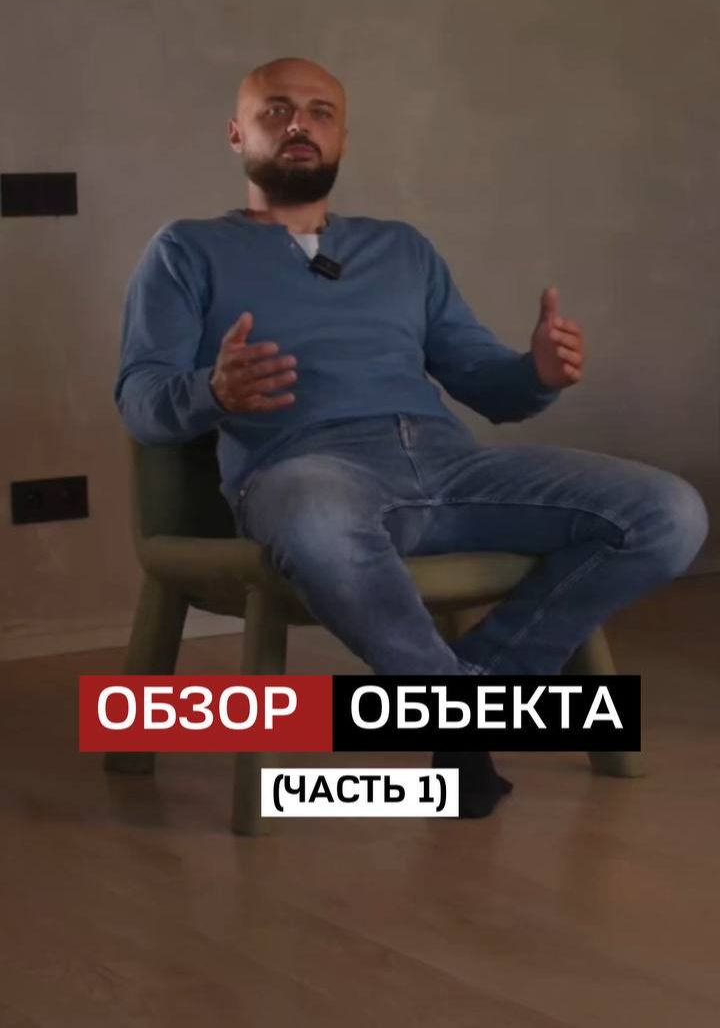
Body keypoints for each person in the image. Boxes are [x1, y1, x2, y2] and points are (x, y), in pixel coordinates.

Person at [115, 57, 708, 818]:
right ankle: (461, 715)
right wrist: (213, 390)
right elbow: (141, 400)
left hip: (446, 463)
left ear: (343, 137)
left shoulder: (402, 249)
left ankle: (458, 706)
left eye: (321, 112)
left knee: (669, 511)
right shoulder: (185, 249)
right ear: (237, 133)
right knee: (317, 514)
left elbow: (486, 383)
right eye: (277, 109)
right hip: (306, 467)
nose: (300, 124)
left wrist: (535, 371)